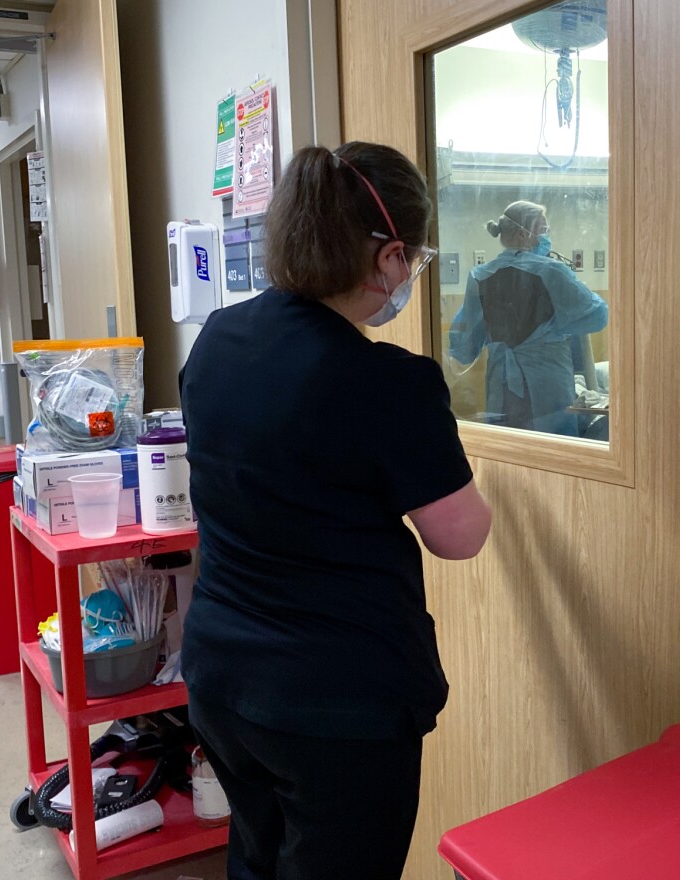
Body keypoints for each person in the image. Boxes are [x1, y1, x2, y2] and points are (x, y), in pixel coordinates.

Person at [179, 141, 492, 880]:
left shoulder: (219, 340)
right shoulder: (385, 382)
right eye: (410, 259)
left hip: (222, 678)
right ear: (386, 257)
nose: (407, 275)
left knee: (257, 856)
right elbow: (459, 535)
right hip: (332, 705)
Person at [448, 200, 608, 436]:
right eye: (543, 229)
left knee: (508, 446)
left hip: (501, 384)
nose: (547, 235)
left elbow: (464, 345)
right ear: (524, 234)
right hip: (546, 385)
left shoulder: (480, 276)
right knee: (550, 448)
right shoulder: (551, 271)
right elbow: (596, 316)